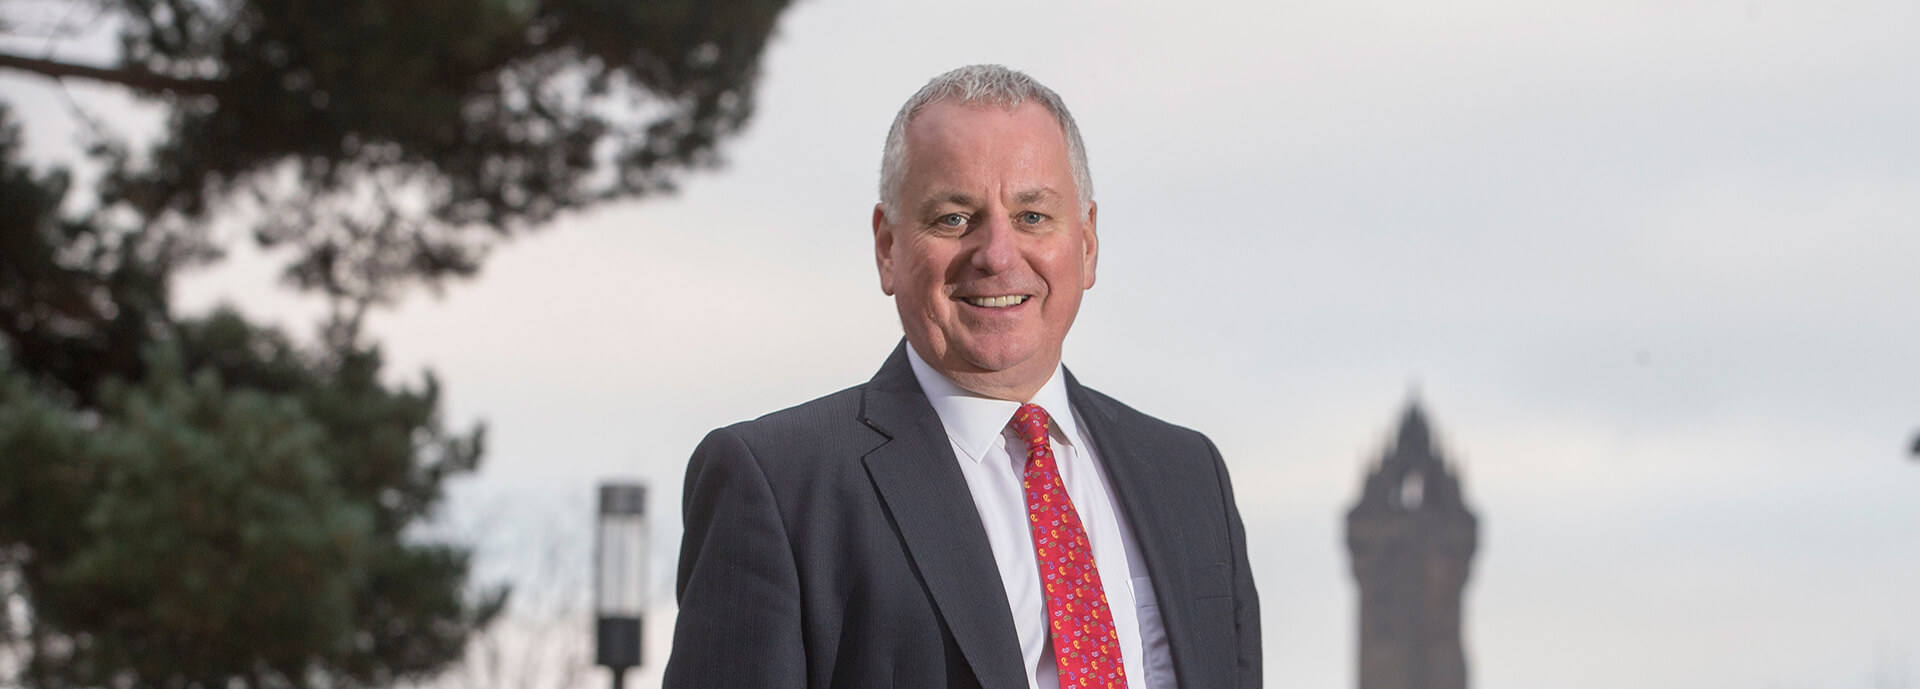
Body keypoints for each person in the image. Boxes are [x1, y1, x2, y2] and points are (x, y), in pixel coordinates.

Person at [663, 64, 1261, 689]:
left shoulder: (1190, 476)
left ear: (1086, 243)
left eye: (1033, 216)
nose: (998, 254)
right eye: (954, 218)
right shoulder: (780, 486)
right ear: (888, 247)